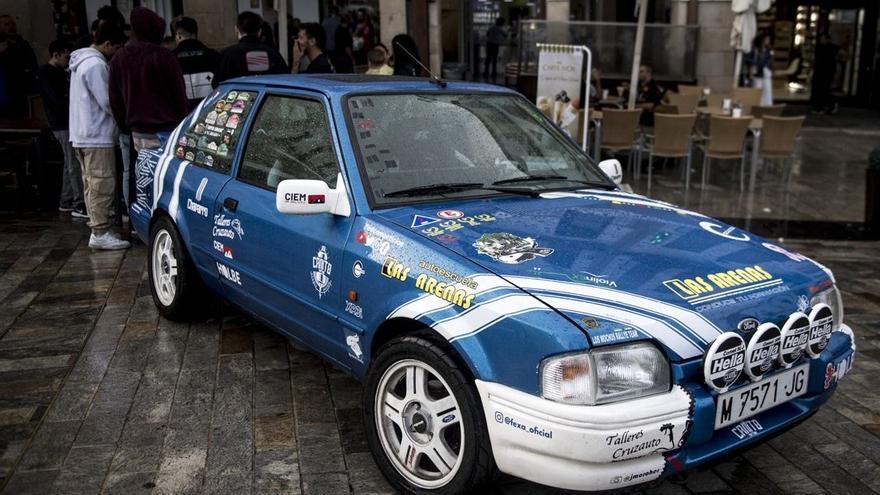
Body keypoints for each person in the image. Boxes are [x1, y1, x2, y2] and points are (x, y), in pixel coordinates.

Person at [109, 6, 188, 214]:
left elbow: (115, 99)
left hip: (137, 129)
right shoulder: (164, 56)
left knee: (136, 173)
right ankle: (164, 213)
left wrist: (125, 124)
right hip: (168, 127)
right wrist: (185, 122)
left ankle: (137, 214)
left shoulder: (120, 58)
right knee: (166, 174)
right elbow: (179, 93)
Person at [69, 22, 130, 250]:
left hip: (84, 133)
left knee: (92, 184)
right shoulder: (95, 65)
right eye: (116, 47)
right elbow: (107, 101)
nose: (117, 53)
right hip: (96, 135)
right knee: (101, 183)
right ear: (107, 44)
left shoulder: (81, 62)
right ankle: (101, 231)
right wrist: (123, 117)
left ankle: (99, 227)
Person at [38, 39, 87, 219]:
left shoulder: (62, 72)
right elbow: (57, 98)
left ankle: (66, 201)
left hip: (68, 121)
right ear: (56, 54)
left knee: (70, 162)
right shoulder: (46, 73)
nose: (68, 60)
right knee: (73, 162)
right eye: (65, 56)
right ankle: (78, 202)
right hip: (61, 123)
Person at [213, 11, 287, 87]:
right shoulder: (274, 54)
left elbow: (216, 84)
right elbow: (285, 81)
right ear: (259, 32)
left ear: (236, 29)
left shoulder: (227, 55)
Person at [173, 16, 220, 109]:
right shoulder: (213, 55)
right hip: (209, 111)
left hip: (182, 114)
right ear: (195, 34)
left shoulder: (171, 59)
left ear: (178, 35)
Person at [0, 14, 38, 118]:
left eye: (13, 24)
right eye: (6, 24)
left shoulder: (23, 44)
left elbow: (33, 65)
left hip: (25, 92)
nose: (11, 27)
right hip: (7, 95)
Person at [811, 32, 839, 114]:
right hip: (819, 71)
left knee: (824, 90)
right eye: (821, 39)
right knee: (819, 90)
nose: (822, 41)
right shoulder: (820, 48)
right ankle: (819, 107)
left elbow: (832, 62)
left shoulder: (831, 49)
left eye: (823, 39)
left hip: (826, 72)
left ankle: (826, 106)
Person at [749, 33, 773, 106]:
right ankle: (757, 106)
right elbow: (753, 61)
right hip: (758, 74)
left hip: (766, 74)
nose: (768, 41)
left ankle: (767, 106)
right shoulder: (755, 50)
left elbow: (769, 62)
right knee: (757, 92)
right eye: (767, 39)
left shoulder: (768, 50)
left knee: (767, 92)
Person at [484, 17, 506, 81]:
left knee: (488, 58)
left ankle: (486, 72)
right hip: (495, 44)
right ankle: (493, 73)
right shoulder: (499, 29)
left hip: (489, 44)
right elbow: (505, 35)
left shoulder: (492, 27)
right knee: (494, 59)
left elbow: (487, 34)